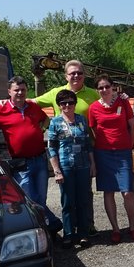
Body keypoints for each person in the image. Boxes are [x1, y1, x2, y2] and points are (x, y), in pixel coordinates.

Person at [0, 76, 62, 234]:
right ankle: (50, 226)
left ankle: (46, 230)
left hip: (40, 159)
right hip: (21, 164)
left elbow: (46, 119)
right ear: (9, 92)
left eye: (23, 90)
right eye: (16, 90)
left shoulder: (33, 107)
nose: (20, 93)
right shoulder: (2, 109)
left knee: (40, 198)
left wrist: (42, 128)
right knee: (28, 198)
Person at [34, 60, 100, 236]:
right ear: (66, 76)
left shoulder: (93, 94)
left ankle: (88, 226)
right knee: (68, 197)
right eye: (72, 73)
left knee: (85, 195)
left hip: (85, 154)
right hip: (64, 158)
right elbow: (33, 102)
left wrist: (121, 97)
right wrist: (5, 102)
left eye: (79, 73)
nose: (76, 76)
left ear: (84, 75)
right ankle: (71, 232)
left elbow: (107, 101)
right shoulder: (57, 93)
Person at [88, 74, 134, 244]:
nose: (104, 90)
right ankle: (116, 229)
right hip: (103, 153)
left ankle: (132, 227)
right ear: (97, 90)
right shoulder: (93, 108)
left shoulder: (123, 102)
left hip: (123, 152)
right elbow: (93, 131)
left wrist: (132, 144)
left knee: (127, 192)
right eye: (101, 88)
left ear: (112, 87)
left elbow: (132, 125)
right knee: (108, 191)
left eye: (107, 86)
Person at [48, 89, 96, 248]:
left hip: (83, 166)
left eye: (70, 102)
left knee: (83, 201)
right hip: (65, 166)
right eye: (63, 103)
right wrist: (56, 170)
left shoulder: (82, 120)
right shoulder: (55, 122)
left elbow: (88, 145)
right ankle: (69, 234)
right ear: (59, 105)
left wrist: (92, 164)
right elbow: (52, 148)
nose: (67, 105)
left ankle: (83, 234)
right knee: (68, 202)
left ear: (75, 104)